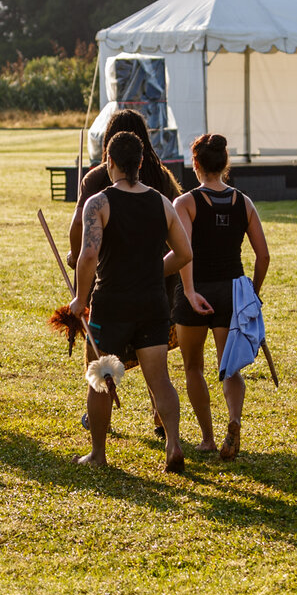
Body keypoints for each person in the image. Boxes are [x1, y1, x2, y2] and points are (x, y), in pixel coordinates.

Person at [68, 133, 204, 472]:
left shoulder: (98, 203)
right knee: (159, 380)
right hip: (152, 304)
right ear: (141, 163)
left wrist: (80, 299)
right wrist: (153, 270)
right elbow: (185, 253)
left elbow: (87, 256)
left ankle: (98, 454)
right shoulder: (161, 202)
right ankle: (172, 444)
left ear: (109, 162)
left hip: (111, 303)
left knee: (101, 378)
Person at [171, 133, 270, 460]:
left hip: (196, 293)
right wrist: (252, 293)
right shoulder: (244, 202)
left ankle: (208, 438)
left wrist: (189, 291)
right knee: (230, 367)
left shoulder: (185, 203)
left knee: (193, 368)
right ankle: (234, 420)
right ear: (225, 164)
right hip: (231, 293)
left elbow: (183, 252)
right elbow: (263, 256)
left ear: (195, 164)